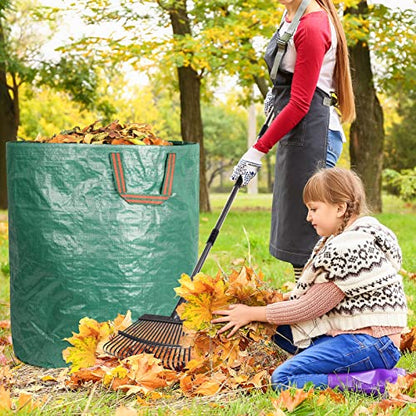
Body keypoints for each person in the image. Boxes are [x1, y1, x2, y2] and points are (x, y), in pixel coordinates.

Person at [213, 168, 408, 394]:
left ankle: (375, 382)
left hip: (373, 345)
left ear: (340, 208)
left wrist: (250, 313)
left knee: (284, 378)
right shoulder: (347, 239)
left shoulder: (350, 248)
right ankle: (342, 369)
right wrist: (267, 306)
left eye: (314, 209)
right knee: (278, 328)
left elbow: (309, 307)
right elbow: (308, 299)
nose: (308, 217)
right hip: (360, 339)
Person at [231, 0, 356, 280]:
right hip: (295, 128)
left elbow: (300, 104)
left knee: (308, 234)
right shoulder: (290, 14)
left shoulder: (313, 25)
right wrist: (274, 95)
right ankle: (304, 308)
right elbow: (290, 75)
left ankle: (318, 311)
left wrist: (256, 151)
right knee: (295, 230)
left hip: (313, 131)